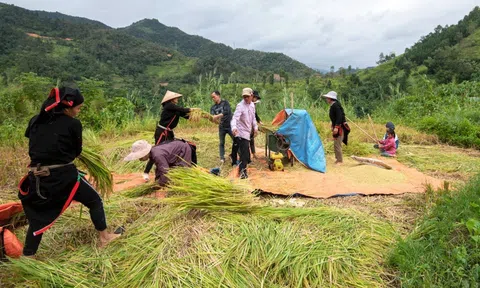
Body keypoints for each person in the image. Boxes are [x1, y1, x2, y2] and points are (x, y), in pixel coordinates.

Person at [18, 86, 120, 257]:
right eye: (78, 108)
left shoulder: (35, 120)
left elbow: (36, 141)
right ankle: (104, 238)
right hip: (62, 178)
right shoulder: (73, 124)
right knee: (94, 200)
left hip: (36, 177)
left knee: (39, 216)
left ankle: (28, 255)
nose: (79, 111)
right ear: (67, 106)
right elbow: (76, 152)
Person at [143, 90, 199, 181]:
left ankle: (171, 171)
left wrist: (202, 116)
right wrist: (193, 109)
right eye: (176, 98)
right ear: (172, 99)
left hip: (169, 132)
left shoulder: (174, 109)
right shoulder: (169, 106)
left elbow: (185, 115)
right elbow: (183, 110)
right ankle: (146, 172)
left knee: (170, 151)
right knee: (155, 152)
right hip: (162, 131)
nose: (177, 99)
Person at [125, 139, 192, 186]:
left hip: (183, 149)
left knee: (182, 172)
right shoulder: (152, 153)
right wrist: (157, 180)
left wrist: (160, 184)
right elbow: (159, 167)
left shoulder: (157, 155)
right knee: (166, 177)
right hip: (174, 152)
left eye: (140, 157)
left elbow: (165, 171)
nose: (140, 159)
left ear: (145, 153)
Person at [231, 87, 258, 179]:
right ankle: (243, 173)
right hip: (240, 132)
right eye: (244, 97)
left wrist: (255, 127)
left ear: (252, 96)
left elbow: (253, 118)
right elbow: (234, 118)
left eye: (247, 96)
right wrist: (234, 127)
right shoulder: (240, 106)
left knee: (245, 153)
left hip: (247, 131)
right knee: (244, 154)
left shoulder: (252, 105)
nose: (246, 98)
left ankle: (242, 169)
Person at [321, 91, 350, 165]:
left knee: (337, 144)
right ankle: (338, 159)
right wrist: (333, 125)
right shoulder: (333, 105)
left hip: (340, 127)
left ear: (331, 98)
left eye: (327, 98)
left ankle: (340, 161)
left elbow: (339, 117)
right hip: (337, 125)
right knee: (336, 143)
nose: (326, 99)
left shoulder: (336, 106)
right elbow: (335, 117)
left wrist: (336, 127)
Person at [209, 90, 233, 163]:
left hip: (230, 125)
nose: (213, 99)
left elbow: (227, 112)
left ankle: (235, 155)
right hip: (221, 127)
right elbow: (212, 117)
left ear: (218, 96)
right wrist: (212, 119)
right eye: (212, 98)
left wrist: (217, 116)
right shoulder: (213, 107)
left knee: (235, 140)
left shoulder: (225, 103)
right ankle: (222, 158)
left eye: (214, 97)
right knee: (221, 142)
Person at [249, 90, 263, 159]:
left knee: (251, 139)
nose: (256, 99)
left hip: (251, 124)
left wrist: (259, 121)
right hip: (245, 125)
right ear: (252, 97)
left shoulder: (253, 104)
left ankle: (253, 154)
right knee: (245, 140)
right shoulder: (247, 104)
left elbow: (255, 114)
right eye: (256, 98)